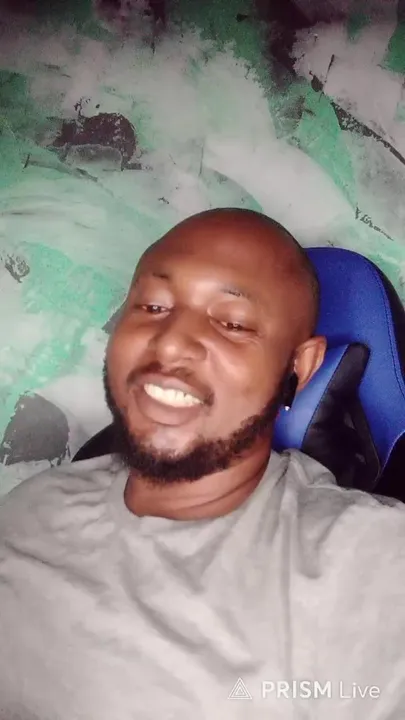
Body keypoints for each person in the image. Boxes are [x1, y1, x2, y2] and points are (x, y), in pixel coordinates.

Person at [0, 208, 404, 720]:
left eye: (232, 323)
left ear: (299, 367)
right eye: (152, 305)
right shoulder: (30, 509)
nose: (170, 341)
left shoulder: (368, 564)